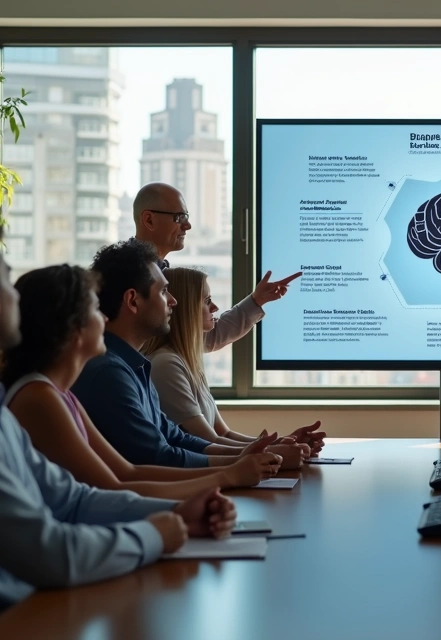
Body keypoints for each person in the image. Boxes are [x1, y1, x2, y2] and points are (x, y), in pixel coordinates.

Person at [0, 208, 237, 639]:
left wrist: (177, 513)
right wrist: (155, 534)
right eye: (8, 281)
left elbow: (73, 501)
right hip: (2, 626)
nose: (18, 297)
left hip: (31, 612)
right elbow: (50, 553)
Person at [0, 264, 285, 499]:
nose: (105, 318)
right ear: (72, 327)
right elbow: (116, 484)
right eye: (96, 310)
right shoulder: (74, 385)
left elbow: (133, 468)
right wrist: (227, 475)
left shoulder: (70, 391)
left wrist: (238, 463)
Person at [71, 240, 313, 468]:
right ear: (133, 301)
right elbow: (158, 458)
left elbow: (177, 438)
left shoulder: (138, 367)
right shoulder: (113, 373)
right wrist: (253, 461)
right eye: (163, 292)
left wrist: (261, 453)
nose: (173, 301)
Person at [143, 266, 326, 455]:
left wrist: (286, 441)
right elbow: (210, 441)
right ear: (186, 309)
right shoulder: (166, 365)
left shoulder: (186, 360)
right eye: (207, 301)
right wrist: (276, 451)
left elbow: (224, 434)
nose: (215, 308)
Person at [132, 182, 301, 354]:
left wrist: (257, 300)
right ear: (149, 220)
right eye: (179, 217)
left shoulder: (157, 272)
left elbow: (198, 338)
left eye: (186, 217)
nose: (187, 225)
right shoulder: (128, 277)